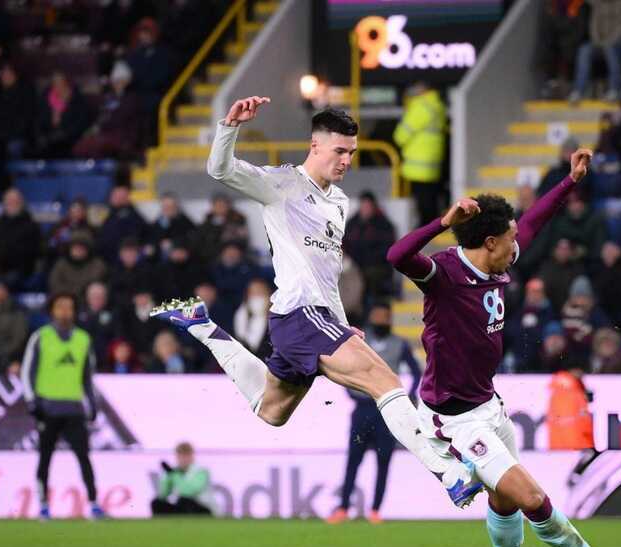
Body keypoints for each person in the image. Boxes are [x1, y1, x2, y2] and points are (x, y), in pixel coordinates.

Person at [150, 97, 476, 507]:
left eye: (352, 153)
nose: (346, 161)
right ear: (315, 146)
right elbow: (220, 169)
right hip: (299, 314)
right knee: (385, 381)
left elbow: (328, 274)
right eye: (339, 151)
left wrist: (342, 323)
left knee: (272, 411)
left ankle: (203, 326)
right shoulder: (282, 184)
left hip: (315, 319)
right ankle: (449, 472)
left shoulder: (339, 204)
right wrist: (230, 126)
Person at [387, 149, 621, 547]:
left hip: (490, 404)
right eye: (509, 240)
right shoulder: (444, 274)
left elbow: (533, 222)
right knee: (532, 496)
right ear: (489, 242)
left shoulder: (499, 262)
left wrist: (570, 182)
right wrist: (443, 221)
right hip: (455, 420)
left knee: (505, 501)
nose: (518, 246)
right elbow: (397, 254)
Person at [327, 303, 421, 524]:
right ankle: (343, 508)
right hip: (362, 408)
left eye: (384, 317)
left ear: (389, 320)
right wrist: (350, 391)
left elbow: (417, 372)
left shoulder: (399, 344)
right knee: (353, 459)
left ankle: (376, 510)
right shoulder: (360, 340)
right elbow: (342, 366)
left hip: (385, 409)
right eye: (377, 316)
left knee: (383, 459)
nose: (380, 321)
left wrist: (407, 396)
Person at [21, 293, 105, 520]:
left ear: (74, 311)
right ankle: (43, 505)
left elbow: (88, 377)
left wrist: (92, 403)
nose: (65, 312)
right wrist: (32, 401)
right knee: (45, 458)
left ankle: (94, 504)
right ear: (52, 311)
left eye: (69, 307)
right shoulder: (41, 337)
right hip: (47, 408)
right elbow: (27, 371)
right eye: (60, 307)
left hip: (74, 409)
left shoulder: (83, 339)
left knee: (84, 457)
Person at [393, 82, 446, 225]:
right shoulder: (437, 105)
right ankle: (434, 224)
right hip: (432, 162)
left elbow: (400, 136)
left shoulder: (420, 106)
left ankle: (427, 227)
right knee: (431, 197)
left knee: (423, 201)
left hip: (417, 164)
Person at [568, 0, 621, 102]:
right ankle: (578, 91)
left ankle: (614, 90)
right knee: (584, 50)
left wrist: (609, 41)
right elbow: (593, 26)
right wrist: (598, 41)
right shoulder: (598, 4)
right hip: (601, 43)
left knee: (611, 49)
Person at [343, 191, 397, 300]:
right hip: (354, 266)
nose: (365, 209)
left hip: (376, 267)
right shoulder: (352, 224)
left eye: (368, 206)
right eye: (363, 206)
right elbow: (344, 244)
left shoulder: (384, 226)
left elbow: (387, 251)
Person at [151, 442, 215, 516]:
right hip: (182, 507)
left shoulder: (201, 471)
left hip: (202, 508)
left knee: (184, 501)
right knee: (157, 503)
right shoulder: (175, 471)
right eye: (180, 455)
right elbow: (163, 495)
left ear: (192, 456)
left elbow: (189, 492)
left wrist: (174, 475)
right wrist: (167, 476)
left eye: (186, 455)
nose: (183, 459)